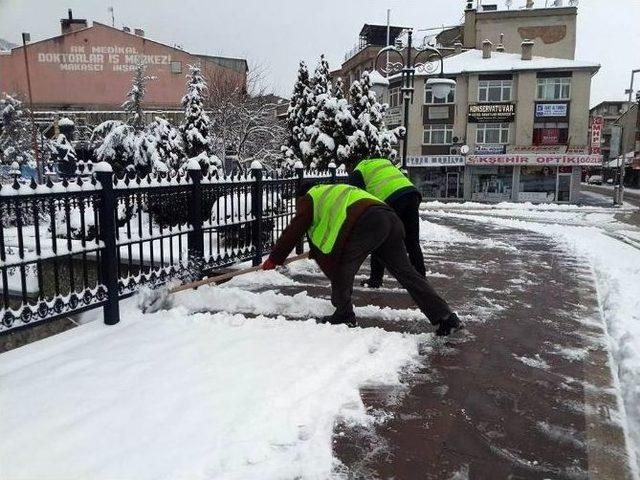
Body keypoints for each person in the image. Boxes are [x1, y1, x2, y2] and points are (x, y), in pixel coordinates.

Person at [261, 182, 461, 336]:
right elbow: (327, 235)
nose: (298, 207)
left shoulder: (310, 197)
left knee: (342, 269)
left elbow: (295, 228)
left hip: (367, 222)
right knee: (407, 273)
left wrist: (275, 258)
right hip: (390, 219)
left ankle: (344, 315)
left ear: (300, 196)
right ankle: (446, 317)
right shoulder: (336, 191)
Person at [349, 157, 425, 288]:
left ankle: (375, 279)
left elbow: (357, 199)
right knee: (412, 241)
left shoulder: (358, 171)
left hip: (391, 199)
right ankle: (422, 280)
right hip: (411, 194)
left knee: (378, 241)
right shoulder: (383, 162)